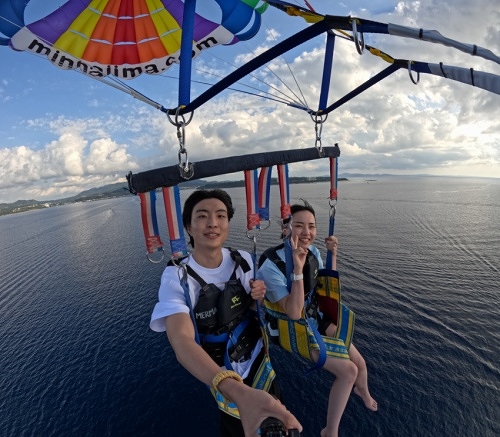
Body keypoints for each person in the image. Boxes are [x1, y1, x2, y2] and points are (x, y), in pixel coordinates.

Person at [150, 189, 302, 437]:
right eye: (202, 216)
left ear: (228, 223)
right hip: (220, 371)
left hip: (257, 360)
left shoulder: (242, 260)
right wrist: (234, 389)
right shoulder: (177, 276)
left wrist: (257, 296)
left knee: (280, 423)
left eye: (220, 216)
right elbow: (181, 339)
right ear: (188, 227)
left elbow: (254, 310)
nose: (213, 223)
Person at [257, 201, 377, 437]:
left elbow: (323, 286)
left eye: (311, 226)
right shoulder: (271, 265)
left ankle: (362, 391)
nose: (307, 232)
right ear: (285, 228)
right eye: (299, 226)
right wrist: (297, 270)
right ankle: (330, 431)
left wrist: (333, 255)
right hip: (292, 329)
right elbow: (293, 312)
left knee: (360, 364)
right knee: (348, 372)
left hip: (314, 317)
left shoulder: (313, 252)